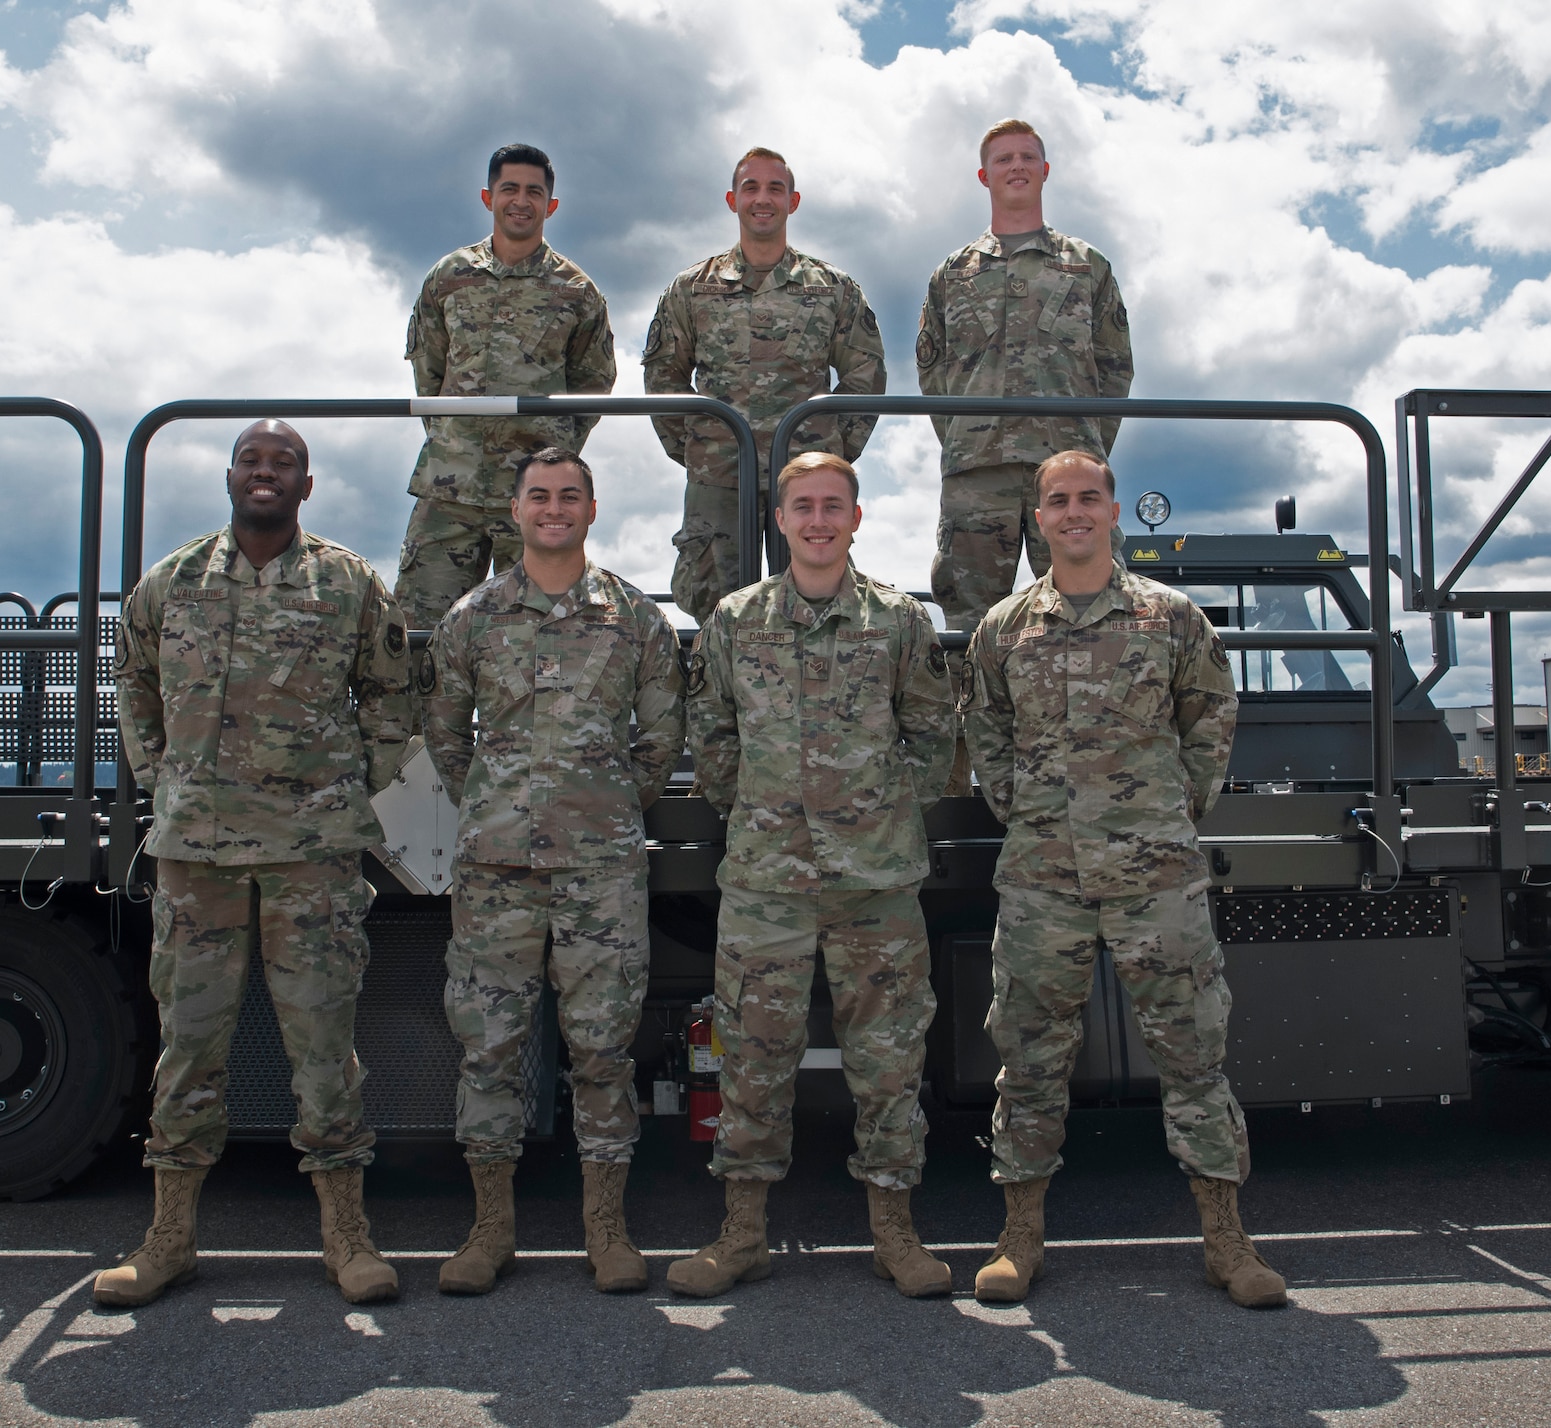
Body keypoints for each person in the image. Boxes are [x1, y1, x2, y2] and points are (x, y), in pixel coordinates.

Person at [961, 450, 1285, 1310]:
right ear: (1039, 518)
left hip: (1156, 877)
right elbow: (985, 732)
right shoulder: (1005, 627)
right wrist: (1024, 810)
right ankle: (1019, 1237)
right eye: (1057, 500)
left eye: (1088, 498)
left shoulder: (1169, 618)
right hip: (1042, 878)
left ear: (1112, 512)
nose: (1073, 512)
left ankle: (1227, 1238)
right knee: (1028, 1059)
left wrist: (1166, 814)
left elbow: (1210, 721)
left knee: (1193, 1055)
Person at [100, 419, 412, 1309]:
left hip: (310, 857)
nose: (266, 473)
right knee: (188, 1048)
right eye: (252, 460)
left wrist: (349, 789)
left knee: (323, 1052)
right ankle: (169, 1239)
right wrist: (164, 779)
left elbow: (394, 697)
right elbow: (133, 681)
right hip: (197, 855)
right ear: (230, 477)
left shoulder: (348, 583)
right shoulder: (174, 581)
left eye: (284, 463)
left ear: (306, 487)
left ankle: (347, 1236)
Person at [668, 451, 955, 1300]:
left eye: (835, 505)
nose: (820, 520)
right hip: (767, 884)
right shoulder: (735, 620)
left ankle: (895, 1234)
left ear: (856, 519)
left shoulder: (899, 622)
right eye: (804, 507)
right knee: (753, 1058)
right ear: (782, 519)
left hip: (875, 885)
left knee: (889, 1061)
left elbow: (936, 739)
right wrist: (756, 806)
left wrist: (880, 815)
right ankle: (743, 1234)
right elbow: (710, 735)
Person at [423, 447, 685, 1295]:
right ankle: (488, 1230)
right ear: (516, 508)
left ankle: (605, 1230)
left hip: (600, 868)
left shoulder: (632, 618)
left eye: (569, 495)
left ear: (591, 509)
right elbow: (445, 736)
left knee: (603, 1050)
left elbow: (659, 741)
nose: (554, 508)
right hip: (496, 867)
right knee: (489, 1049)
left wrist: (599, 804)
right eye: (539, 495)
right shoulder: (472, 616)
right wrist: (501, 803)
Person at [643, 147, 886, 625]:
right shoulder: (693, 288)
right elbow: (662, 377)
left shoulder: (832, 289)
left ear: (793, 201)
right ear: (732, 199)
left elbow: (866, 375)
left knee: (818, 601)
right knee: (711, 605)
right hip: (719, 478)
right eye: (751, 188)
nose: (763, 199)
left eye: (775, 188)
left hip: (803, 480)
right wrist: (698, 449)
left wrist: (830, 454)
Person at [916, 119, 1133, 638]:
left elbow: (1115, 367)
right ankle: (970, 722)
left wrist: (1083, 449)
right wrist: (967, 440)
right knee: (969, 625)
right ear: (984, 176)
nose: (1016, 166)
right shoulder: (953, 273)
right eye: (1003, 159)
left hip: (1067, 472)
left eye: (1027, 157)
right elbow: (932, 370)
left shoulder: (1087, 267)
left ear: (1045, 170)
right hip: (977, 472)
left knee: (1092, 609)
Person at [398, 143, 616, 642]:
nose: (521, 201)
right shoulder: (449, 278)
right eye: (509, 189)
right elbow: (429, 372)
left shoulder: (576, 291)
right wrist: (455, 440)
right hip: (449, 490)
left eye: (533, 192)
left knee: (538, 636)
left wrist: (549, 460)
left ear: (550, 205)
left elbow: (594, 384)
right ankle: (421, 726)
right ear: (488, 197)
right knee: (418, 634)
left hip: (535, 502)